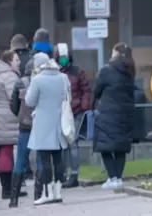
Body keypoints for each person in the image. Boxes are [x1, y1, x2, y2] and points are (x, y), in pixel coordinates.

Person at [26, 52, 69, 205]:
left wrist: (32, 80)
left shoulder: (37, 80)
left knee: (44, 160)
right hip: (59, 123)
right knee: (58, 159)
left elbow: (29, 101)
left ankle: (47, 193)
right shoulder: (63, 78)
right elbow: (67, 97)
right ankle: (58, 192)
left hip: (43, 124)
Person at [92, 43, 137, 190]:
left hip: (108, 115)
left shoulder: (106, 70)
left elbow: (96, 91)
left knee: (105, 148)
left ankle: (113, 177)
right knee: (120, 148)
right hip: (125, 115)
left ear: (116, 53)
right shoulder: (130, 72)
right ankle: (118, 178)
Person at [9, 47, 46, 207]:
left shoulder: (20, 83)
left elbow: (13, 105)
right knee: (39, 161)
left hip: (24, 126)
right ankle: (37, 195)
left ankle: (14, 199)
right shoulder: (44, 82)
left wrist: (21, 116)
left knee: (20, 160)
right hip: (39, 125)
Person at [54, 43, 91, 188]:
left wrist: (83, 105)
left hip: (75, 111)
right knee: (63, 144)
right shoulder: (54, 71)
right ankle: (62, 174)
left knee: (72, 143)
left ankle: (74, 174)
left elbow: (86, 90)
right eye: (61, 57)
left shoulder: (77, 72)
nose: (64, 60)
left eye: (65, 57)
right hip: (61, 112)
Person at [0, 49, 22, 199]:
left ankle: (6, 189)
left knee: (3, 151)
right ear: (9, 62)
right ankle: (10, 190)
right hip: (8, 119)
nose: (19, 62)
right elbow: (14, 98)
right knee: (7, 153)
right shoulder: (10, 77)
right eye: (16, 60)